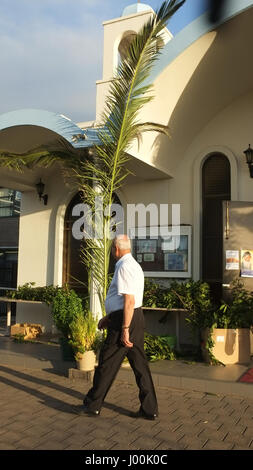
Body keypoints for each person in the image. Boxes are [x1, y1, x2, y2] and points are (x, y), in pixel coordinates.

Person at [79, 234, 158, 420]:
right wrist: (109, 317)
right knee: (140, 366)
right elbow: (128, 301)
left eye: (111, 249)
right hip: (133, 318)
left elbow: (128, 300)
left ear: (115, 249)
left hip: (126, 321)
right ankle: (150, 409)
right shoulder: (134, 265)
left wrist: (123, 328)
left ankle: (93, 405)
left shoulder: (124, 266)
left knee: (107, 363)